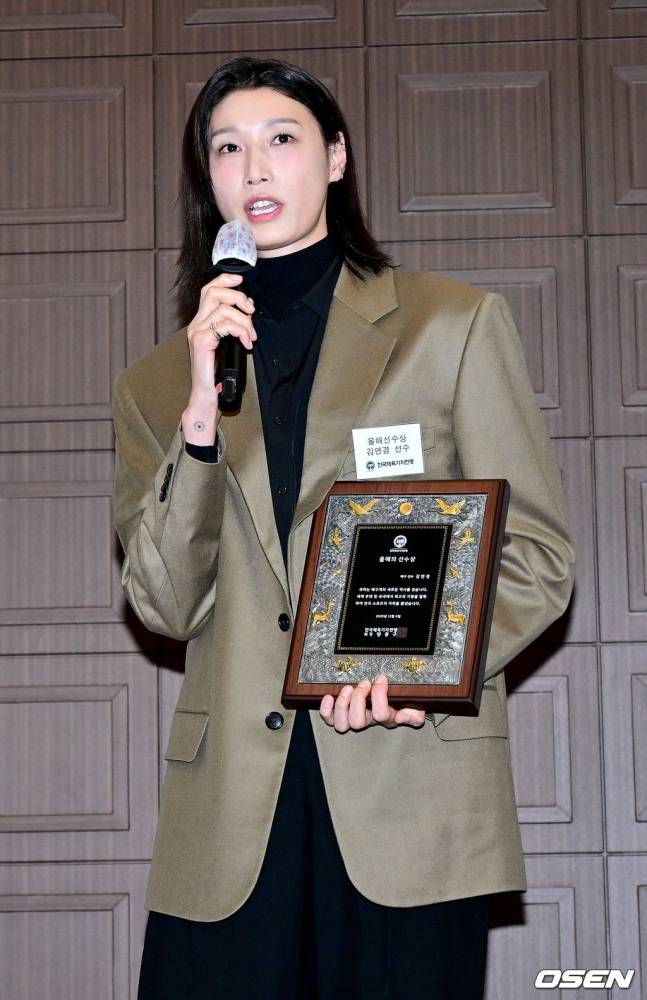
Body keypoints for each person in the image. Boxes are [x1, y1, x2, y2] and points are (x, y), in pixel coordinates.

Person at [112, 56, 575, 1000]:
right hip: (232, 811)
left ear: (333, 158)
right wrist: (200, 416)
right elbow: (161, 602)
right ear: (208, 181)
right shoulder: (161, 383)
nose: (253, 169)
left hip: (406, 788)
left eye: (280, 140)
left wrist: (416, 673)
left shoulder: (450, 325)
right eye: (226, 148)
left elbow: (534, 557)